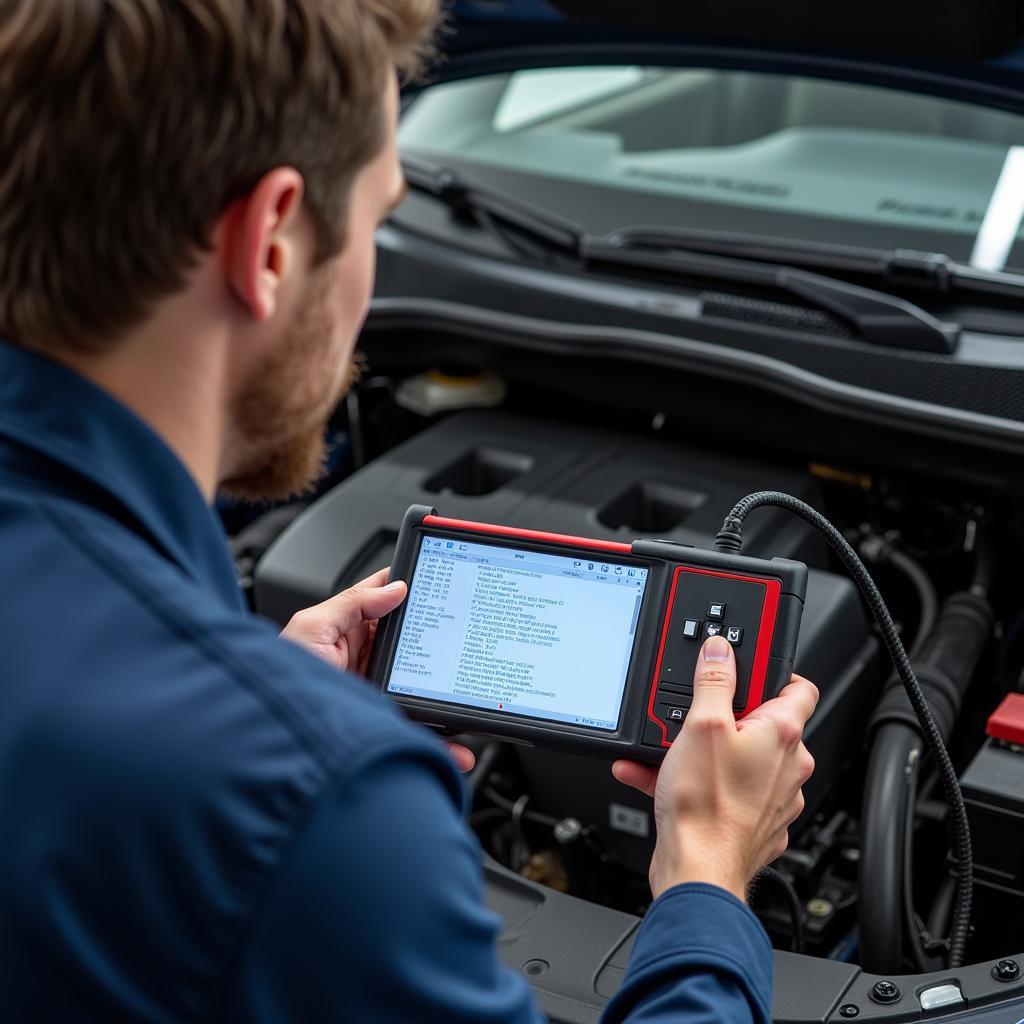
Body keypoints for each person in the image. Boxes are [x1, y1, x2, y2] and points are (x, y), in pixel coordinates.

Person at [0, 1, 817, 1021]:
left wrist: (263, 706)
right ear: (268, 241)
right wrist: (705, 875)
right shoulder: (305, 798)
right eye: (382, 216)